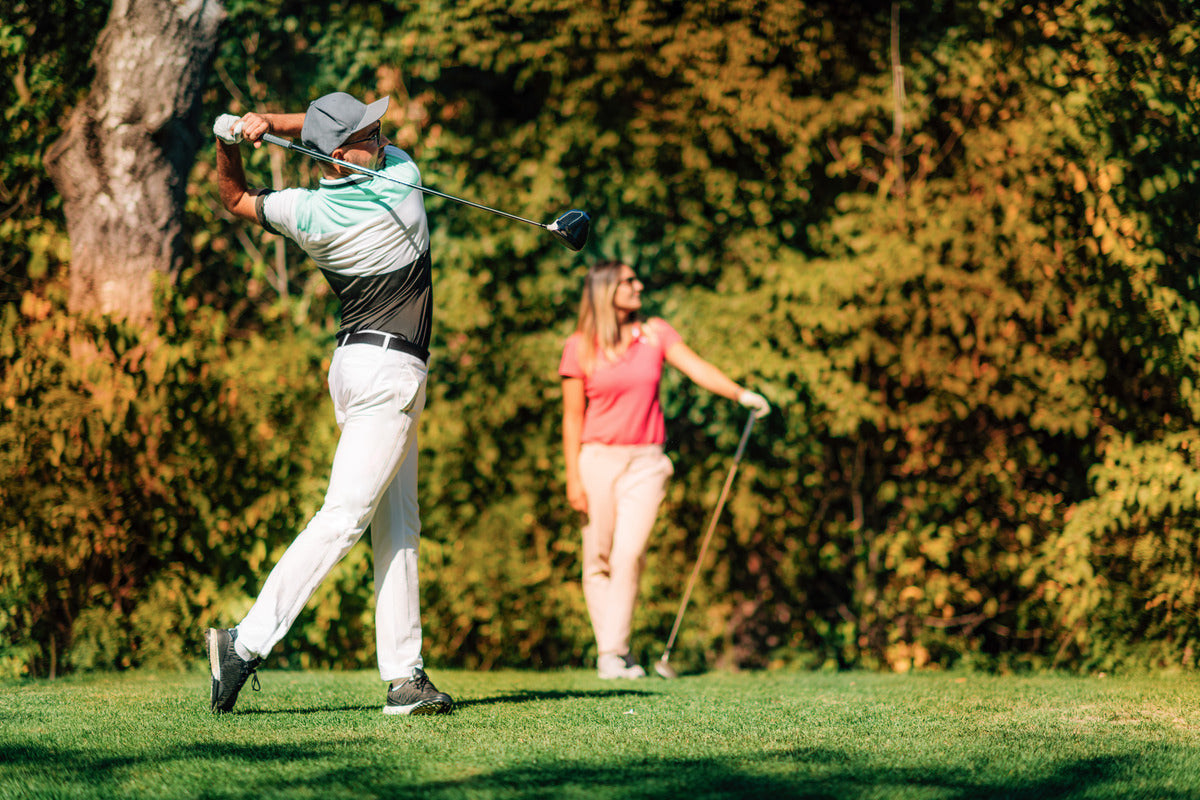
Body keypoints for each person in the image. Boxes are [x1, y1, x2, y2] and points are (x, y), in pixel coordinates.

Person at [205, 91, 452, 715]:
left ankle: (405, 677)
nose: (384, 135)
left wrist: (231, 140)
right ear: (344, 155)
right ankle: (245, 643)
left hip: (360, 365)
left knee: (399, 524)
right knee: (343, 517)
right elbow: (336, 140)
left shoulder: (305, 210)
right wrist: (270, 125)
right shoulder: (401, 178)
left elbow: (233, 198)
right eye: (370, 133)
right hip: (388, 374)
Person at [558, 261, 770, 679]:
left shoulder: (655, 334)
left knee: (629, 554)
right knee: (597, 559)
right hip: (597, 459)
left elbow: (696, 367)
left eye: (637, 278)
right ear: (606, 292)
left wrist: (741, 394)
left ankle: (613, 653)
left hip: (647, 463)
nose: (639, 285)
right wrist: (573, 477)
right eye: (628, 281)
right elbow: (571, 417)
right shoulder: (579, 346)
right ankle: (613, 655)